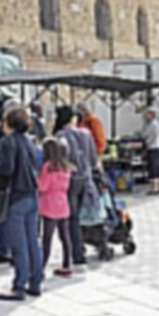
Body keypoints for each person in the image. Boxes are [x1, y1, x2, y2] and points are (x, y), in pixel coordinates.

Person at [0, 108, 43, 301]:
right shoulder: (30, 141)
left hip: (16, 196)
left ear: (9, 123)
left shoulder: (7, 142)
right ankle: (36, 282)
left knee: (18, 244)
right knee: (32, 241)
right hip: (32, 194)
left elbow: (7, 170)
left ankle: (19, 286)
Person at [54, 106, 98, 266]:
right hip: (86, 179)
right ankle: (79, 249)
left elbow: (59, 161)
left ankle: (76, 253)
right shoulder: (86, 134)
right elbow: (93, 159)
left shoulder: (60, 136)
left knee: (69, 218)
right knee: (78, 216)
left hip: (69, 180)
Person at [0, 98, 22, 265]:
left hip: (6, 181)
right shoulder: (25, 134)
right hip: (19, 183)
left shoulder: (5, 136)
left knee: (4, 214)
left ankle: (5, 249)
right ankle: (8, 248)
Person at [38, 137, 73, 278]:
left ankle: (41, 266)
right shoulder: (66, 166)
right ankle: (66, 265)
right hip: (63, 203)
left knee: (47, 237)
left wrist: (37, 180)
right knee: (65, 236)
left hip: (49, 205)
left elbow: (43, 186)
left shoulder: (48, 167)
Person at [143, 107, 159, 195]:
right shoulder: (152, 124)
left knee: (153, 167)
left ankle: (155, 187)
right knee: (157, 167)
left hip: (153, 147)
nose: (146, 116)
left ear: (152, 115)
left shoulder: (153, 124)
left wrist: (147, 145)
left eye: (147, 114)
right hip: (156, 147)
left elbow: (151, 136)